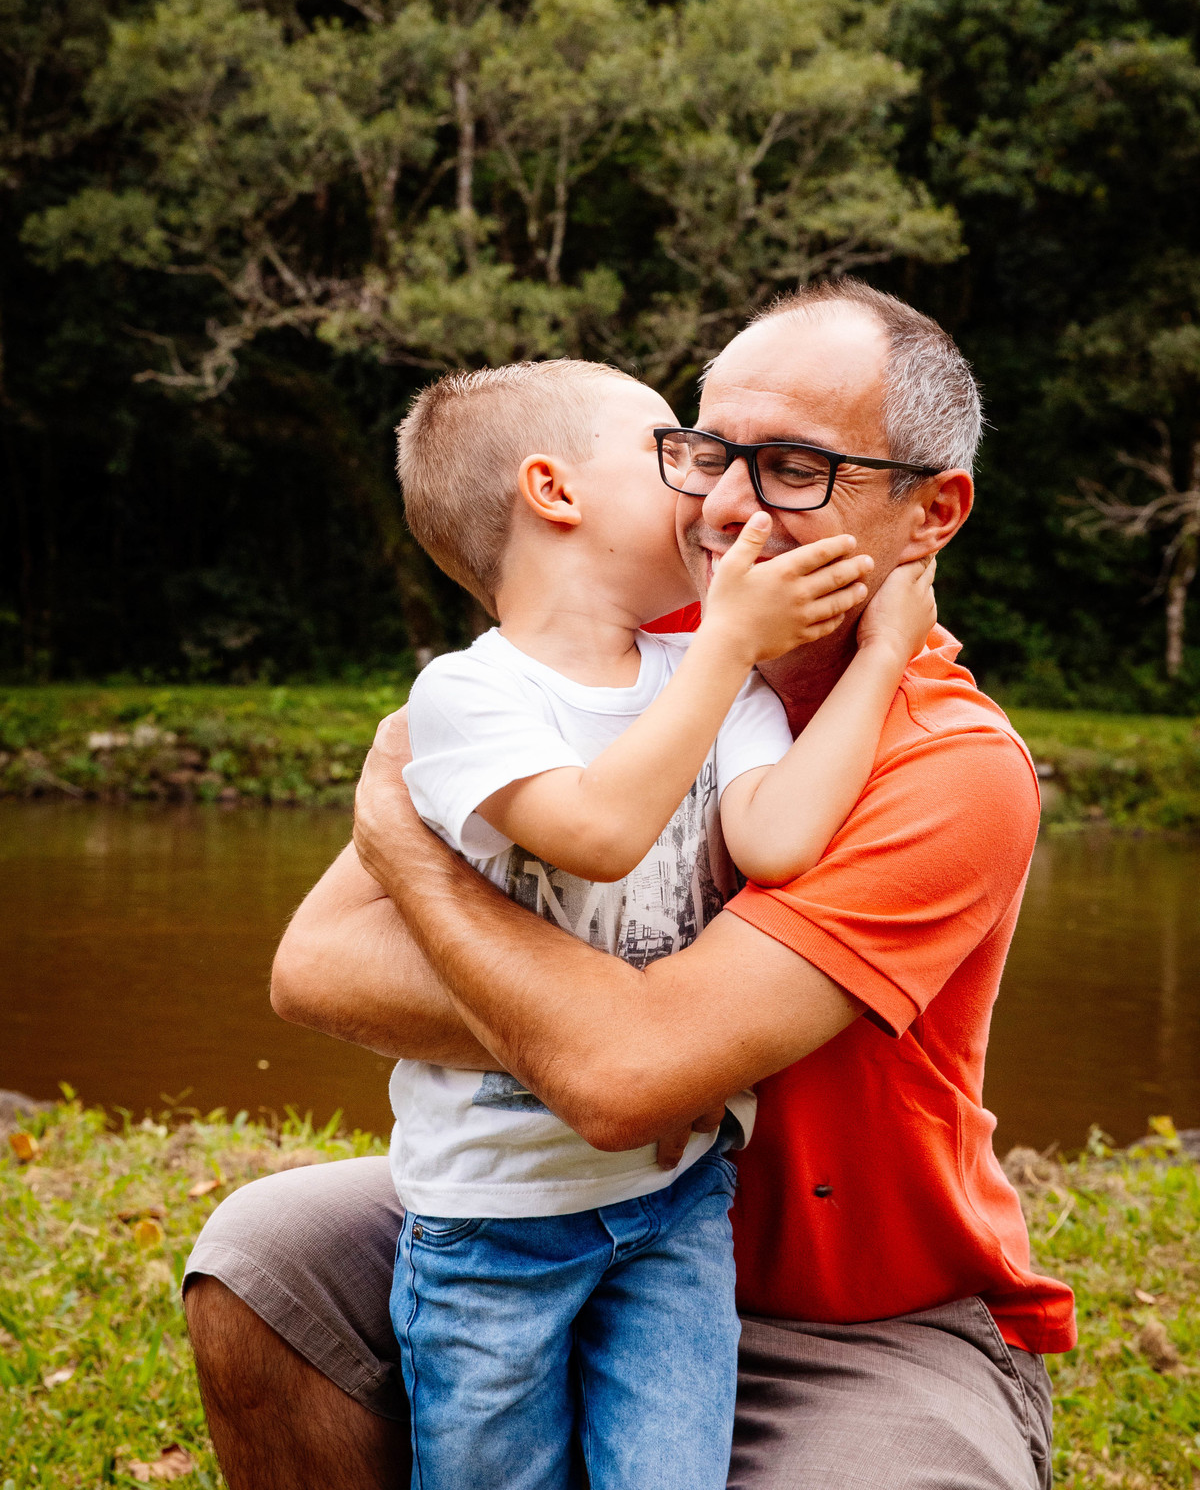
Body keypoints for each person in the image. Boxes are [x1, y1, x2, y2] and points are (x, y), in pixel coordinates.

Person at [184, 278, 1074, 1490]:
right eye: (709, 453)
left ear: (932, 513)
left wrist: (406, 857)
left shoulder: (950, 769)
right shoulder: (624, 653)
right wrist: (616, 1029)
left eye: (794, 466)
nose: (721, 504)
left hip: (853, 1319)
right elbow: (318, 965)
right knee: (264, 1256)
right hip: (550, 1209)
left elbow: (622, 1078)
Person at [383, 357, 936, 1489]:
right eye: (672, 452)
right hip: (493, 1217)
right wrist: (733, 643)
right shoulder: (468, 697)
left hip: (676, 1201)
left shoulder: (713, 679)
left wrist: (884, 658)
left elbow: (776, 839)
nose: (710, 487)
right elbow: (594, 833)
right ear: (554, 491)